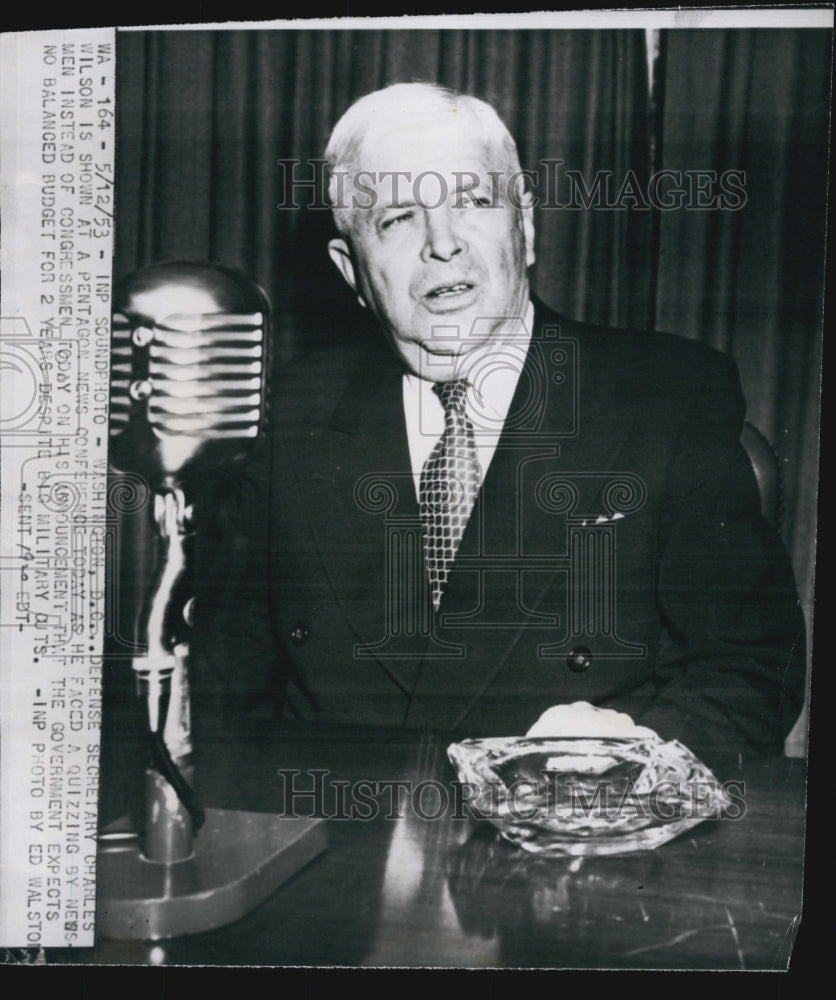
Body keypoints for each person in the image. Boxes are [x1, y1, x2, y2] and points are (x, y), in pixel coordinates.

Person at [193, 83, 805, 765]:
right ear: (351, 270)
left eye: (474, 202)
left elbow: (750, 669)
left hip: (576, 838)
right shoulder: (285, 414)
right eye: (397, 217)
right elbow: (222, 693)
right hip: (338, 835)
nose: (443, 245)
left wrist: (634, 755)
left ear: (527, 226)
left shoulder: (665, 396)